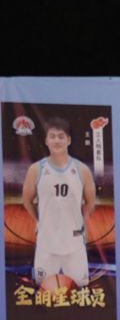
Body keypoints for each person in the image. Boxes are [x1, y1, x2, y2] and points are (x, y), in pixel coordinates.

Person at [21, 116, 96, 287]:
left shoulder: (82, 170)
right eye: (52, 136)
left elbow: (90, 202)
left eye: (61, 136)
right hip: (46, 244)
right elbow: (27, 200)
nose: (56, 140)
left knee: (81, 290)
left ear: (68, 140)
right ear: (46, 140)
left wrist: (79, 221)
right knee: (43, 291)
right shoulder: (36, 169)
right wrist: (39, 220)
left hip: (74, 244)